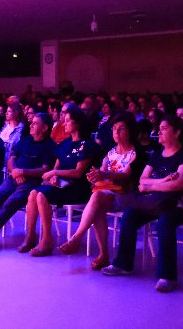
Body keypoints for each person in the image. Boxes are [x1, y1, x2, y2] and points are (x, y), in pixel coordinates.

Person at [102, 116, 183, 294]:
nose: (159, 132)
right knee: (130, 214)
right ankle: (123, 264)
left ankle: (167, 276)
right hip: (154, 202)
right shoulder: (156, 154)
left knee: (165, 221)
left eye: (164, 128)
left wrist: (150, 186)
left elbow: (179, 184)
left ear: (177, 132)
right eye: (159, 128)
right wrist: (162, 181)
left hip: (181, 206)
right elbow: (142, 180)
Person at [58, 113, 140, 269]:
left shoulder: (136, 153)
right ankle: (103, 256)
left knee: (97, 199)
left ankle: (77, 238)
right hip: (107, 194)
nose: (116, 132)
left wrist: (104, 174)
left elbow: (126, 175)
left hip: (126, 195)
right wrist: (95, 177)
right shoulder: (111, 152)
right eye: (114, 129)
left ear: (130, 131)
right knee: (97, 205)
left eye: (121, 129)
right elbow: (101, 172)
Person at [0, 113, 57, 250]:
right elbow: (11, 158)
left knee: (11, 202)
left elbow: (45, 169)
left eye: (35, 123)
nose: (31, 125)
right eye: (31, 122)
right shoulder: (26, 140)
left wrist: (23, 172)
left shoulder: (49, 146)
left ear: (45, 128)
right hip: (14, 177)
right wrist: (15, 171)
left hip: (31, 182)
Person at [18, 109, 98, 256]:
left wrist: (55, 173)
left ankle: (46, 240)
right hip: (61, 185)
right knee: (33, 193)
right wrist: (52, 177)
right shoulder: (64, 144)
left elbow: (78, 172)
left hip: (78, 187)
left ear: (78, 123)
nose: (63, 123)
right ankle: (30, 235)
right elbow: (56, 168)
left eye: (67, 121)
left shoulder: (88, 145)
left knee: (41, 195)